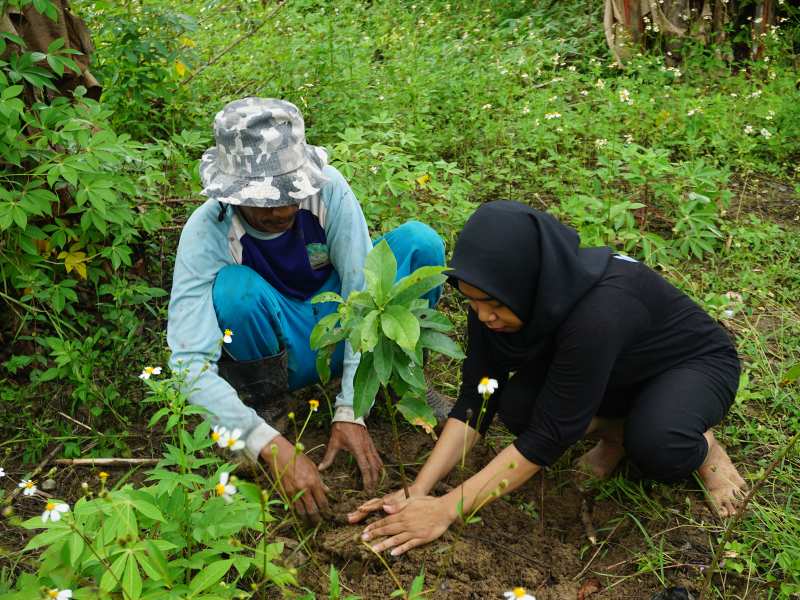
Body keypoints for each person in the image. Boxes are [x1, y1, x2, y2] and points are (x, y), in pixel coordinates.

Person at [348, 200, 746, 555]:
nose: (483, 316)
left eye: (493, 305)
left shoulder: (599, 311)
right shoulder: (497, 295)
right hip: (609, 371)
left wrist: (445, 509)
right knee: (517, 406)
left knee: (659, 445)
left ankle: (703, 448)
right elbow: (475, 399)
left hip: (690, 366)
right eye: (472, 302)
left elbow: (548, 437)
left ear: (529, 282)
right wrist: (419, 490)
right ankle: (619, 432)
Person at [167, 98, 447, 522]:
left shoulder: (329, 190)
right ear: (231, 193)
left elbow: (361, 292)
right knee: (234, 291)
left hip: (342, 324)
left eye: (289, 195)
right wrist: (263, 442)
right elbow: (188, 362)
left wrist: (352, 409)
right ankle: (270, 408)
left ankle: (393, 378)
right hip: (284, 345)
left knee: (420, 244)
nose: (280, 209)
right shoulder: (207, 231)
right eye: (262, 201)